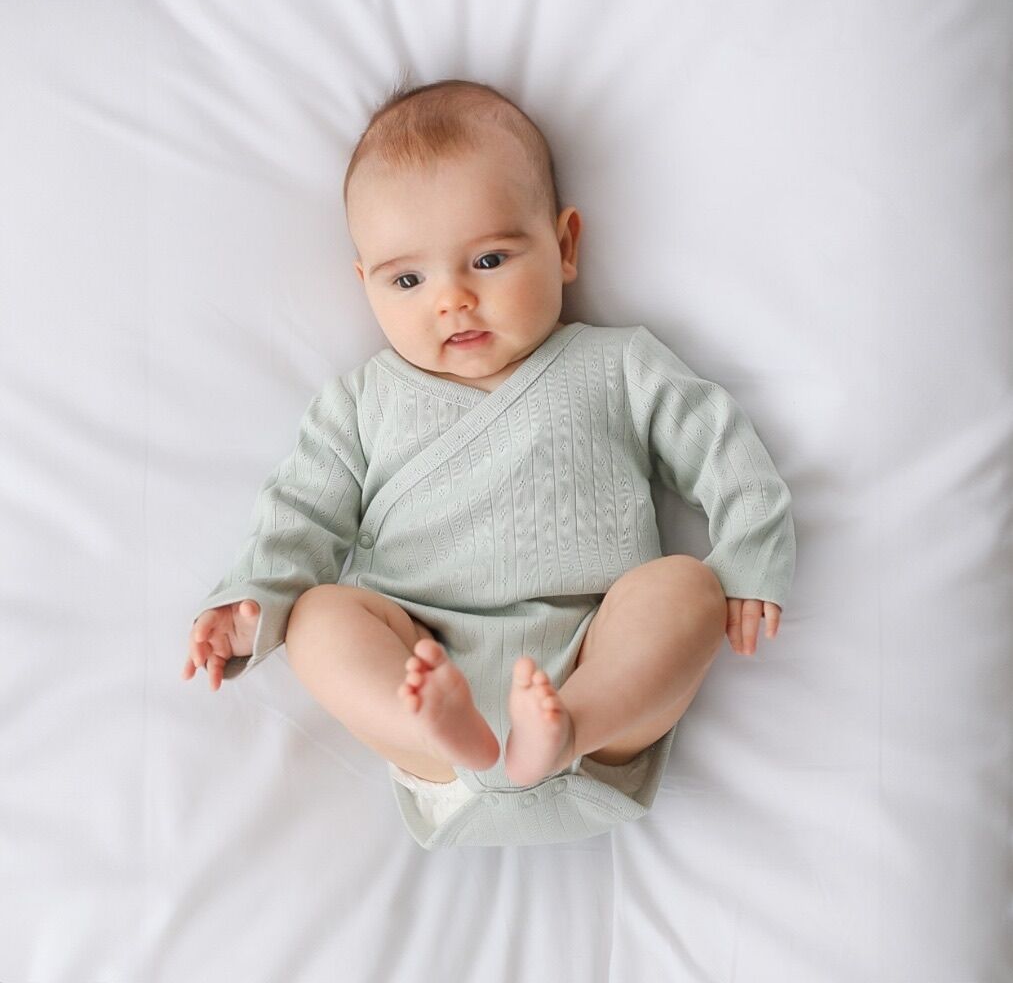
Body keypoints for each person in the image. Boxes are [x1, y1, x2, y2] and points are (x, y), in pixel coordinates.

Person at [182, 77, 796, 849]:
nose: (454, 300)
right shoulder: (361, 403)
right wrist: (252, 602)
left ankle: (566, 727)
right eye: (408, 279)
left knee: (686, 588)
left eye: (490, 258)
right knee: (318, 620)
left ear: (565, 246)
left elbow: (723, 448)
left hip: (598, 676)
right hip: (428, 671)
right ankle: (448, 735)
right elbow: (299, 513)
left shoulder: (619, 365)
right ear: (365, 282)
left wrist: (750, 556)